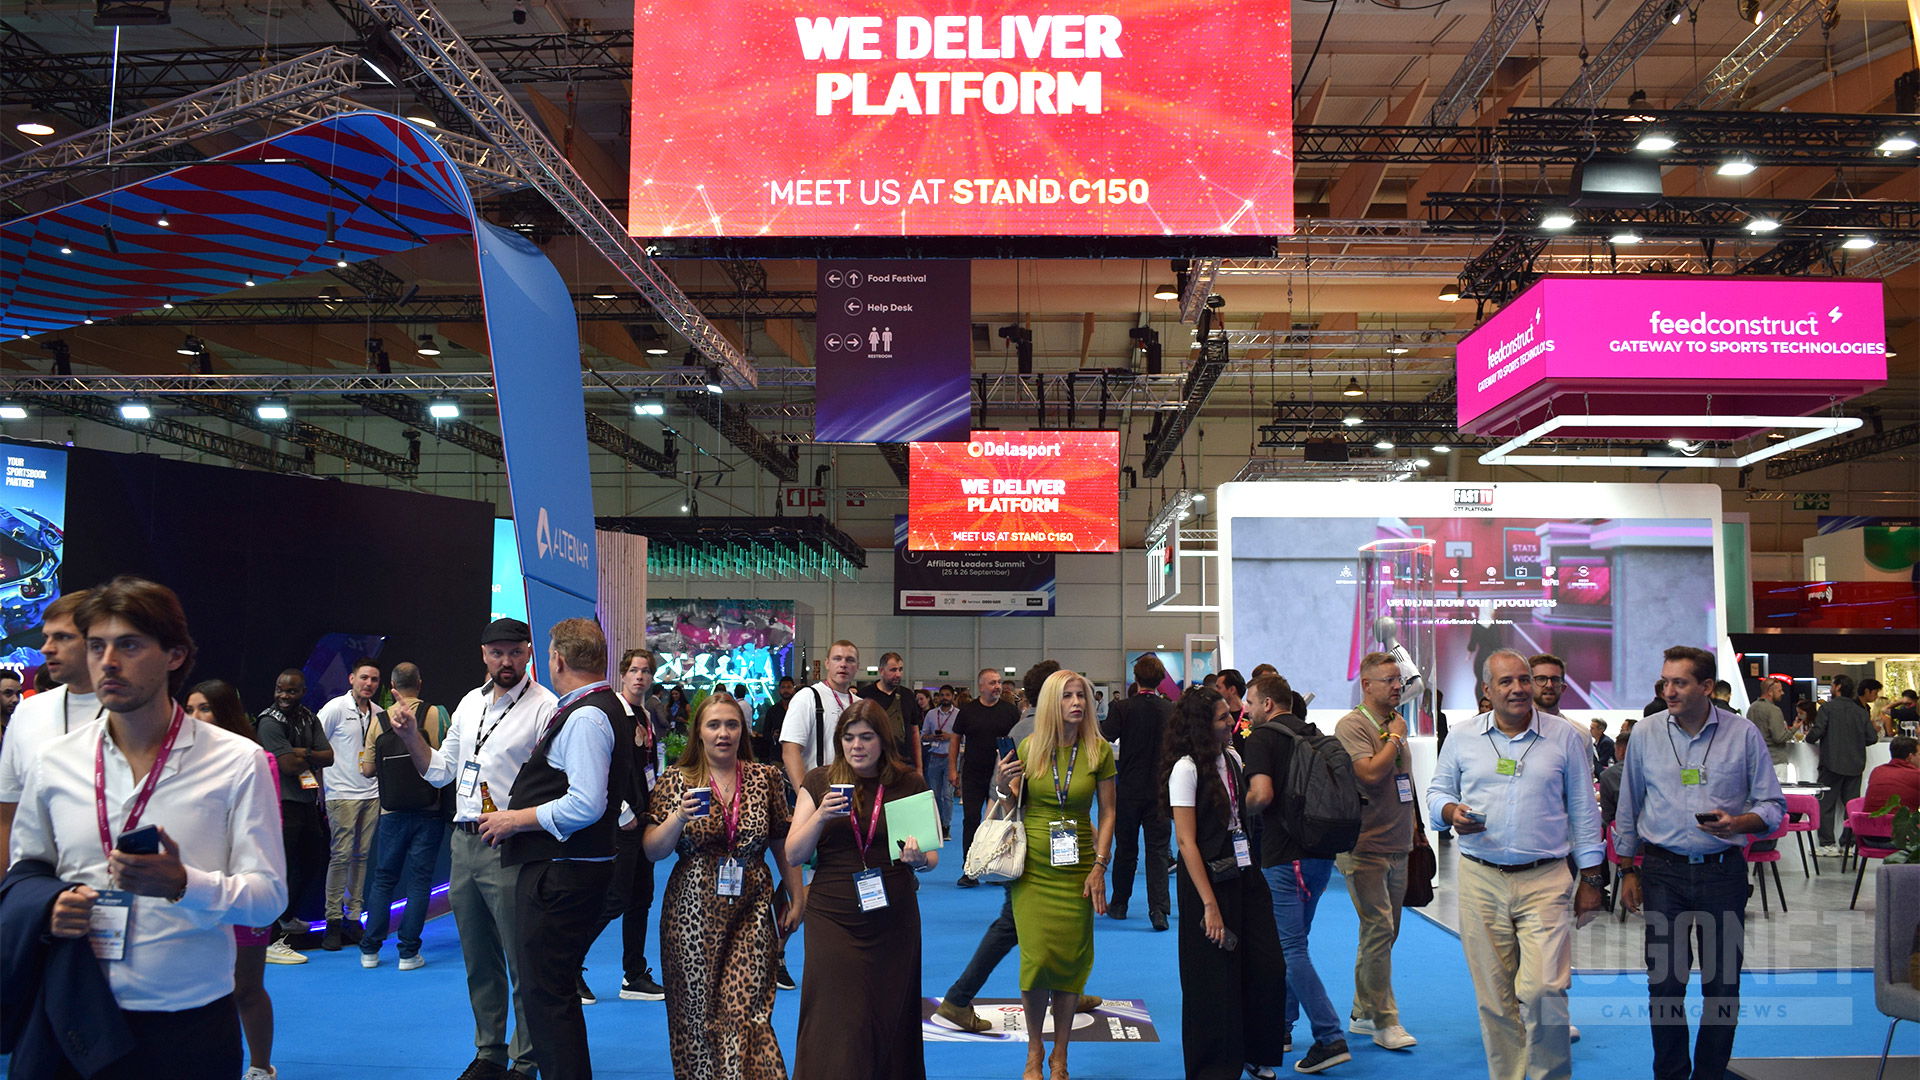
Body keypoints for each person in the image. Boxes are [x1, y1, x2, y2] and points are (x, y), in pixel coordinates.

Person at [11, 577, 285, 1079]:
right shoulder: (55, 762)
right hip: (74, 1010)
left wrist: (184, 884)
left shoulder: (236, 762)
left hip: (189, 1022)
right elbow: (25, 871)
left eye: (129, 645)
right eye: (97, 646)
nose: (108, 662)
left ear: (175, 655)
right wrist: (50, 906)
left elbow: (269, 898)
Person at [457, 618, 629, 1080]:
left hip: (562, 871)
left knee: (546, 994)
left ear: (555, 659)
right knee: (549, 991)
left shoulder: (586, 715)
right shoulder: (595, 708)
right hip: (566, 866)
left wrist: (515, 819)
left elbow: (586, 804)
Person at [1428, 649, 1606, 1080]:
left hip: (1545, 877)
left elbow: (1584, 811)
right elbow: (1437, 792)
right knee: (1494, 996)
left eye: (1524, 679)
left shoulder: (1565, 737)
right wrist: (1450, 812)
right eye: (1506, 681)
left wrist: (1592, 878)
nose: (1519, 688)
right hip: (1480, 877)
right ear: (1486, 690)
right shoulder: (1463, 737)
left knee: (1545, 990)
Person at [391, 617, 556, 1080]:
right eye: (497, 653)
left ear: (528, 653)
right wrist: (410, 737)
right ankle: (489, 1053)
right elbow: (440, 770)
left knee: (522, 959)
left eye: (515, 652)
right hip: (463, 843)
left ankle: (527, 1060)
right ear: (484, 655)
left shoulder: (545, 708)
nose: (506, 661)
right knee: (479, 959)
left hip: (513, 843)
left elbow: (557, 782)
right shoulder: (469, 703)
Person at [1614, 645, 1783, 1080]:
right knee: (1665, 985)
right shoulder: (1646, 734)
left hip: (1722, 872)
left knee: (1722, 985)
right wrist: (1627, 869)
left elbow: (1772, 806)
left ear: (1707, 687)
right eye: (1664, 682)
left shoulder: (1743, 734)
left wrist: (1738, 822)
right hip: (1662, 872)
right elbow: (1628, 806)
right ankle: (1670, 1074)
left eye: (1680, 683)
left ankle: (1710, 1073)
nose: (1668, 691)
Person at [645, 691, 803, 1079]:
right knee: (695, 1018)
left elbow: (781, 840)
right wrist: (679, 817)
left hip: (753, 906)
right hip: (691, 913)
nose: (723, 733)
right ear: (698, 732)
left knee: (747, 1012)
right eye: (713, 725)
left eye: (732, 725)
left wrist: (797, 895)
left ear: (742, 730)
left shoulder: (765, 778)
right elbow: (652, 850)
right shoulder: (676, 780)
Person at [785, 700, 935, 1078]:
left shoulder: (908, 783)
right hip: (832, 917)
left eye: (866, 737)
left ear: (883, 739)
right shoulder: (819, 781)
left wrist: (919, 858)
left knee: (889, 1014)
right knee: (835, 1017)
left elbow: (931, 857)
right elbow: (793, 853)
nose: (857, 746)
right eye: (849, 737)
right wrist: (820, 816)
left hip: (893, 918)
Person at [996, 668, 1117, 1080]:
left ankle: (1060, 1054)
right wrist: (1003, 786)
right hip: (1033, 868)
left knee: (1070, 961)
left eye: (1081, 695)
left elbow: (1109, 812)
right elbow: (1014, 806)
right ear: (1051, 702)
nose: (1077, 703)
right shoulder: (1029, 748)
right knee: (1035, 960)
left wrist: (1100, 865)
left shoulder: (1099, 751)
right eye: (1067, 696)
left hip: (1078, 867)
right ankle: (1034, 1048)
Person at [1165, 686, 1287, 1079]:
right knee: (1213, 980)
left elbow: (1242, 815)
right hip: (1207, 882)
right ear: (1203, 726)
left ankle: (1255, 1050)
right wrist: (1209, 905)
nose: (1232, 722)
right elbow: (1186, 842)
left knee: (1267, 966)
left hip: (1246, 874)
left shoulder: (1233, 758)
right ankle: (1213, 1068)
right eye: (1223, 718)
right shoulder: (1185, 770)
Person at [1243, 674, 1351, 1073]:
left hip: (1285, 857)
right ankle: (1282, 1028)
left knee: (1289, 949)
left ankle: (1329, 1036)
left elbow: (1262, 795)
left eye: (1250, 702)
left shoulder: (1262, 738)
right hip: (1320, 854)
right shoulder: (1312, 734)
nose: (1246, 710)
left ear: (1268, 704)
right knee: (1292, 944)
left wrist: (1235, 806)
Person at [186, 679, 280, 1080]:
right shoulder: (179, 763)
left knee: (246, 986)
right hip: (196, 890)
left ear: (225, 712)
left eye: (204, 708)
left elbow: (263, 833)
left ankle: (260, 1067)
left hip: (243, 891)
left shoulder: (256, 760)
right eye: (189, 709)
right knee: (201, 988)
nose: (195, 717)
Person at [1333, 651, 1419, 1051]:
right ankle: (1386, 1021)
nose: (1398, 686)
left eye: (1399, 679)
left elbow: (1404, 779)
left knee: (1382, 934)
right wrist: (1396, 737)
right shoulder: (1352, 726)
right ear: (1367, 685)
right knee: (1379, 930)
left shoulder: (1393, 723)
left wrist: (1416, 827)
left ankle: (1362, 1012)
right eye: (1389, 680)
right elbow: (1368, 772)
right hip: (1364, 845)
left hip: (1399, 842)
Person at [585, 647, 669, 1003]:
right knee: (615, 898)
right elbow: (600, 769)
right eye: (634, 670)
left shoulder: (645, 716)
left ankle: (634, 974)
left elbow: (646, 768)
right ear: (622, 674)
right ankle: (567, 967)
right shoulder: (611, 714)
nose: (640, 677)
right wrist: (622, 812)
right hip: (621, 824)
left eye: (646, 671)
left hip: (645, 820)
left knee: (641, 900)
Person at [356, 662, 448, 971]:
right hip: (429, 810)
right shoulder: (434, 714)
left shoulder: (379, 720)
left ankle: (370, 950)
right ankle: (408, 953)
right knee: (419, 881)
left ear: (392, 686)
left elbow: (368, 769)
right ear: (419, 683)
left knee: (384, 878)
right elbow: (444, 763)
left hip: (391, 811)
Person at [0, 590, 100, 858]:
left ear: (99, 641)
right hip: (32, 874)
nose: (46, 648)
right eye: (46, 637)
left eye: (63, 637)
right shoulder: (27, 712)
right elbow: (6, 817)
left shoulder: (132, 714)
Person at [254, 669, 330, 961]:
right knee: (280, 869)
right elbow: (286, 765)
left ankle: (286, 917)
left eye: (291, 691)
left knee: (311, 862)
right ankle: (270, 937)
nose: (284, 696)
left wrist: (302, 752)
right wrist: (307, 754)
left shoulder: (309, 717)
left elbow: (329, 756)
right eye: (280, 689)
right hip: (279, 804)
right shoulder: (268, 721)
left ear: (302, 692)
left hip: (307, 802)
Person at [1100, 652, 1174, 929]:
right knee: (1158, 852)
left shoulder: (1123, 708)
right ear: (1161, 680)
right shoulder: (1171, 710)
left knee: (1126, 849)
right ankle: (1159, 910)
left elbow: (1106, 735)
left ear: (1135, 678)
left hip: (1130, 788)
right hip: (1161, 791)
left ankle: (1119, 904)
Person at [316, 657, 383, 950]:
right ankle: (332, 920)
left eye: (374, 679)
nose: (369, 683)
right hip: (341, 793)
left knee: (361, 856)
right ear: (351, 679)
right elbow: (317, 747)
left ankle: (353, 917)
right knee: (341, 856)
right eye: (364, 677)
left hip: (371, 794)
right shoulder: (334, 709)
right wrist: (320, 789)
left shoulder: (379, 713)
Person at [951, 666, 1019, 884]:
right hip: (973, 775)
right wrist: (952, 769)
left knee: (1003, 822)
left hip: (1003, 777)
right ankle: (969, 869)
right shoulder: (967, 711)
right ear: (981, 687)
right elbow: (955, 739)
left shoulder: (1010, 711)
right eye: (992, 683)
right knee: (971, 820)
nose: (997, 686)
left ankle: (1000, 867)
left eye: (999, 682)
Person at [1807, 674, 1877, 855]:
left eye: (1832, 684)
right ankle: (1849, 844)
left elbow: (1816, 733)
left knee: (1826, 804)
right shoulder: (1860, 711)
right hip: (1855, 764)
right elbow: (1872, 737)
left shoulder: (1827, 708)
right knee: (1851, 806)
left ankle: (1827, 844)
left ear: (1837, 687)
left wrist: (1810, 737)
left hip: (1831, 763)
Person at [781, 639, 859, 786]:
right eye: (837, 658)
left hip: (856, 788)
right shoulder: (807, 697)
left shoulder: (859, 705)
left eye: (850, 660)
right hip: (820, 788)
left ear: (857, 667)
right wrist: (804, 794)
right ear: (827, 663)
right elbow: (790, 751)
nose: (843, 664)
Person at [857, 651, 924, 773]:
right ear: (881, 671)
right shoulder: (864, 695)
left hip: (904, 762)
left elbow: (914, 732)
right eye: (893, 670)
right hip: (874, 764)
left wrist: (919, 768)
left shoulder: (908, 695)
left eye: (900, 669)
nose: (898, 674)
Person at [922, 683, 960, 841]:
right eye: (942, 695)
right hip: (934, 757)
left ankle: (946, 826)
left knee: (947, 795)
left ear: (953, 697)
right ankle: (936, 825)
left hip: (951, 759)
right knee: (935, 794)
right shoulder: (931, 714)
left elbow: (964, 737)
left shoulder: (959, 715)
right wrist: (933, 737)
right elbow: (923, 736)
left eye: (947, 695)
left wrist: (949, 736)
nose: (945, 698)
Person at [1864, 736, 1920, 812]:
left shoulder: (1877, 771)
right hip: (1899, 819)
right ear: (1910, 757)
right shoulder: (1916, 775)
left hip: (1867, 819)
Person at [1746, 676, 1793, 767]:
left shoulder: (1752, 708)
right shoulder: (1774, 710)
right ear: (1770, 692)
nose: (1782, 693)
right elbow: (1779, 738)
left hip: (1757, 760)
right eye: (1779, 691)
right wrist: (1794, 728)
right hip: (1776, 760)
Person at [754, 676, 795, 763]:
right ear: (779, 690)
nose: (786, 690)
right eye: (783, 687)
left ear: (793, 689)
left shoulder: (798, 709)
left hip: (796, 753)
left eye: (789, 687)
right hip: (777, 755)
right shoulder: (773, 710)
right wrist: (773, 735)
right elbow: (766, 732)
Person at [1598, 731, 1629, 828]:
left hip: (1623, 828)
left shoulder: (1608, 776)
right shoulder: (1653, 770)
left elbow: (1608, 817)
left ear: (1621, 750)